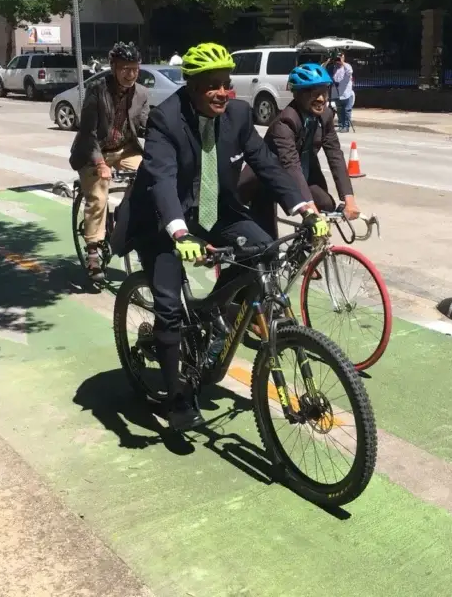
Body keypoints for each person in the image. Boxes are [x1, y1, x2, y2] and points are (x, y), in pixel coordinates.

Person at [111, 42, 329, 431]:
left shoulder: (239, 115)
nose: (221, 93)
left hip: (216, 211)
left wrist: (304, 209)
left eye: (226, 84)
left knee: (262, 247)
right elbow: (161, 179)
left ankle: (214, 309)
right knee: (168, 305)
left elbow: (266, 165)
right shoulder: (166, 118)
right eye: (211, 85)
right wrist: (179, 233)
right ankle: (177, 397)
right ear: (191, 86)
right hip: (164, 217)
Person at [241, 62, 360, 237]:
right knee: (267, 240)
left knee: (326, 205)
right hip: (267, 180)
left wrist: (349, 199)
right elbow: (291, 165)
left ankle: (303, 259)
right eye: (314, 93)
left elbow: (335, 154)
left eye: (324, 92)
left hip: (304, 174)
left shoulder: (325, 116)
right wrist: (310, 210)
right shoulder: (285, 122)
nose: (321, 99)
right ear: (297, 94)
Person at [69, 41, 150, 280]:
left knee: (149, 178)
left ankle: (122, 216)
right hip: (94, 151)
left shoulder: (142, 93)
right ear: (113, 67)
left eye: (135, 68)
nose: (131, 74)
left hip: (125, 149)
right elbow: (87, 133)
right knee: (98, 194)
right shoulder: (97, 90)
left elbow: (145, 126)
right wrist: (100, 164)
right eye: (125, 68)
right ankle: (93, 249)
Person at [331, 51, 355, 132]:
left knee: (347, 110)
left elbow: (349, 72)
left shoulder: (347, 66)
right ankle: (341, 125)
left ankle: (346, 126)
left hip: (346, 93)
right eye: (338, 58)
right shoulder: (335, 67)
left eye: (341, 57)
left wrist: (342, 62)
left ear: (344, 58)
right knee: (339, 110)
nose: (339, 59)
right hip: (337, 93)